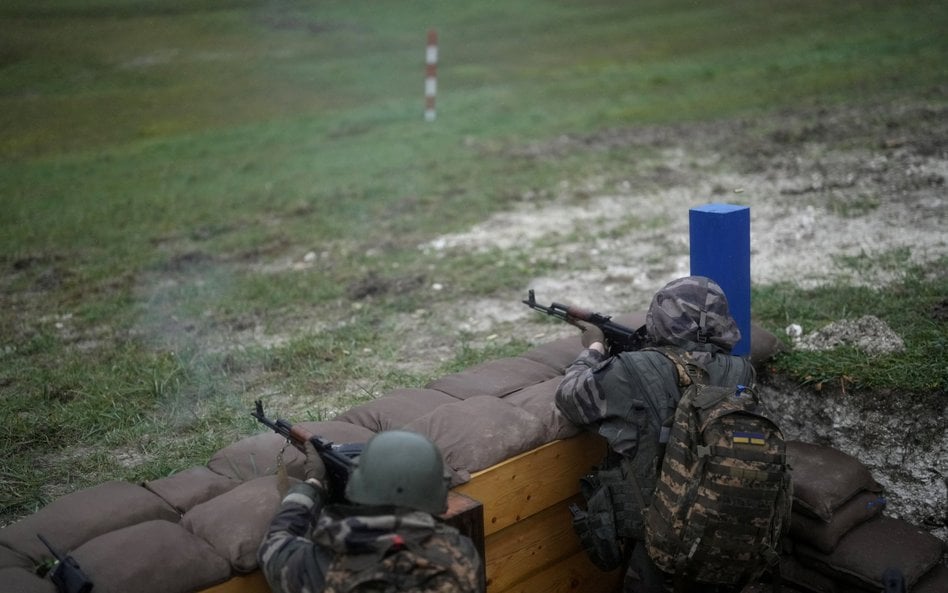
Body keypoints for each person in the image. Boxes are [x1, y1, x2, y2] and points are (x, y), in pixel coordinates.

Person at [554, 275, 757, 593]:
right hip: (728, 530)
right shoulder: (742, 371)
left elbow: (569, 397)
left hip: (658, 540)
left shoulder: (631, 370)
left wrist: (593, 347)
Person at [258, 430, 485, 593]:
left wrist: (314, 484)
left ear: (357, 486)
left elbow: (274, 543)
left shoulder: (317, 566)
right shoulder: (462, 555)